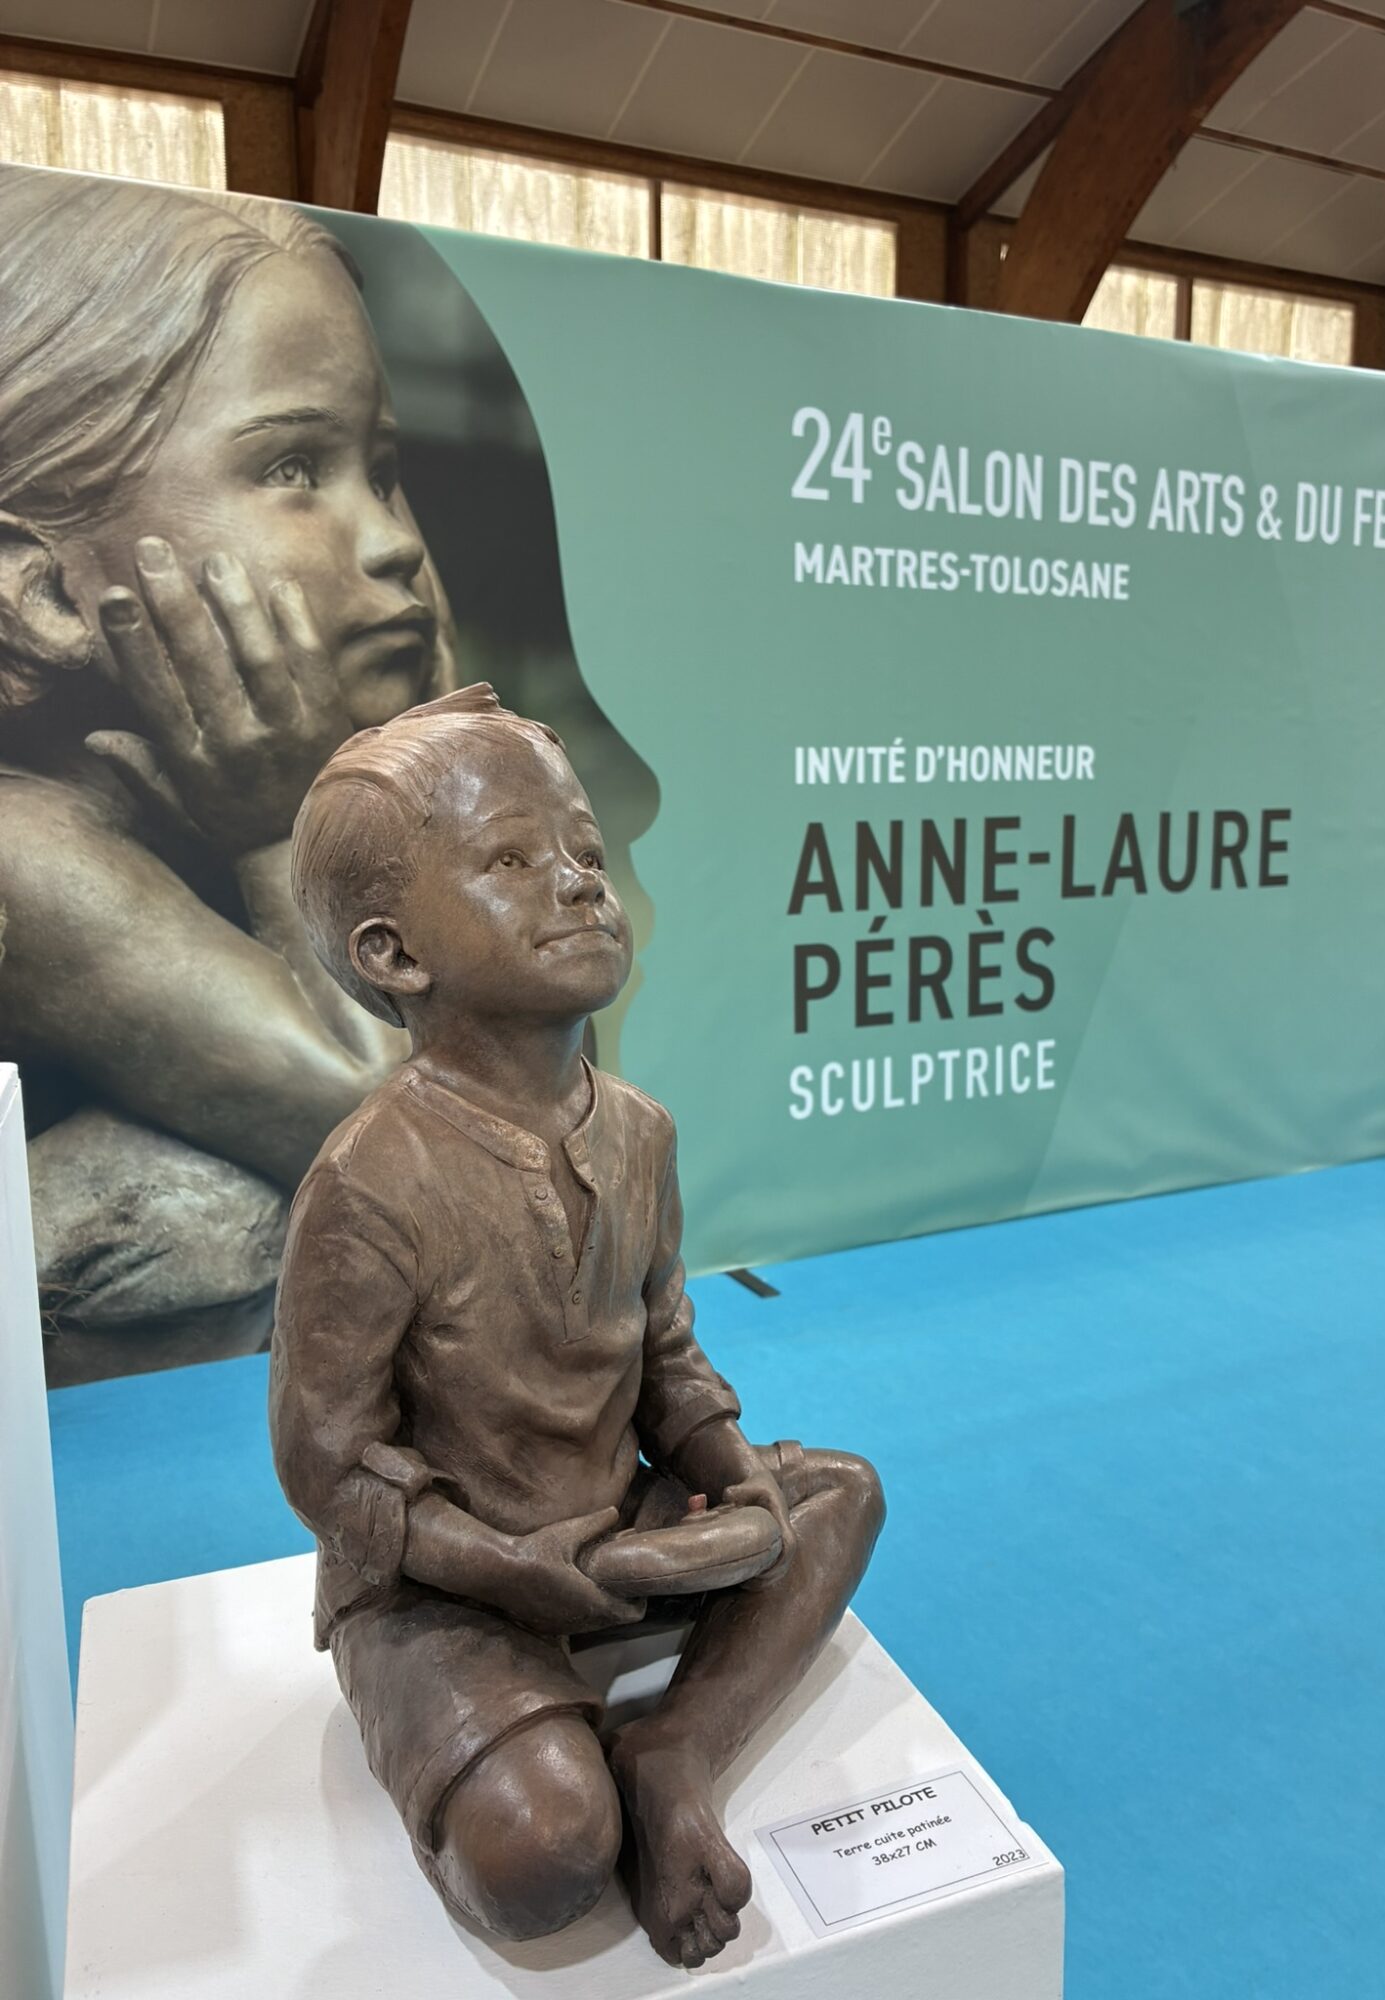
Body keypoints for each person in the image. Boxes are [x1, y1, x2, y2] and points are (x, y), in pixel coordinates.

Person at [271, 685, 885, 1968]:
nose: (579, 884)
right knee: (545, 1853)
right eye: (510, 860)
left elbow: (665, 1351)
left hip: (616, 1523)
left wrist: (725, 1475)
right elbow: (328, 1466)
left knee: (838, 1495)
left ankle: (673, 1744)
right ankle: (558, 1739)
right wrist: (511, 1570)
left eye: (587, 854)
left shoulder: (640, 1129)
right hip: (448, 1585)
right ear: (392, 954)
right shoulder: (371, 1179)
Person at [0, 166, 456, 1378]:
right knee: (209, 1208)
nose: (394, 540)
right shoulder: (29, 858)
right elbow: (415, 1144)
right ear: (42, 590)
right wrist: (285, 829)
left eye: (382, 467)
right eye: (294, 469)